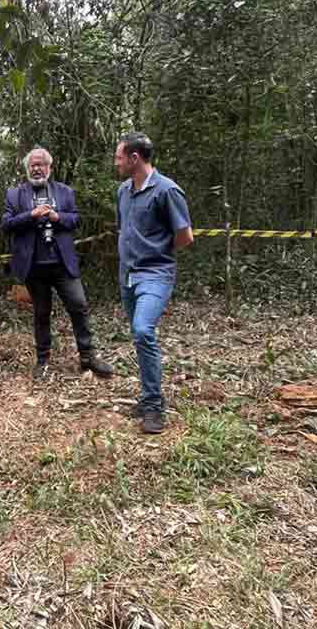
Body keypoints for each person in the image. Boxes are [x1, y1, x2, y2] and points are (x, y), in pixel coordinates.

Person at [2, 147, 114, 381]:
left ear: (49, 167)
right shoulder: (15, 194)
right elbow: (7, 225)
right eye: (33, 164)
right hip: (34, 266)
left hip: (62, 263)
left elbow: (75, 220)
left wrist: (57, 217)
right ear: (26, 168)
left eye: (42, 164)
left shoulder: (64, 192)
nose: (37, 168)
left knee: (79, 305)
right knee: (42, 313)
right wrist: (31, 215)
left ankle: (88, 356)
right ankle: (42, 360)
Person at [113, 132, 194, 434]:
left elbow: (185, 237)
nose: (116, 162)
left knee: (143, 330)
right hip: (127, 275)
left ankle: (154, 406)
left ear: (135, 158)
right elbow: (125, 229)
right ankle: (148, 394)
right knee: (139, 337)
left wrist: (155, 250)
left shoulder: (167, 191)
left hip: (156, 274)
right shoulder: (123, 191)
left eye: (120, 156)